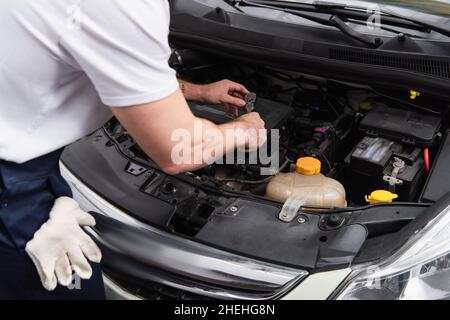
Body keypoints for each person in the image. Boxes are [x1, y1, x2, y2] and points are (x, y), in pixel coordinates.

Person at [0, 0, 266, 300]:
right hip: (12, 186)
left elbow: (105, 61)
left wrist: (198, 92)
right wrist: (246, 129)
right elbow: (181, 149)